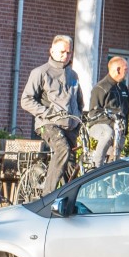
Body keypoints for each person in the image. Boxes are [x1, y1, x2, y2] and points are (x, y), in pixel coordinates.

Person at [19, 35, 82, 194]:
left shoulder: (73, 75)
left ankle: (68, 201)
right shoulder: (40, 72)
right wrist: (48, 113)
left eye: (68, 52)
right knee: (62, 149)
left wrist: (79, 119)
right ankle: (47, 197)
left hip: (71, 126)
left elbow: (79, 101)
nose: (65, 56)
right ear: (52, 51)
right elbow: (26, 100)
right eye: (62, 52)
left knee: (71, 166)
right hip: (48, 125)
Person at [86, 55, 129, 167]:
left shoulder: (123, 88)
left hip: (118, 129)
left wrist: (125, 130)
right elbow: (93, 113)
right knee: (108, 133)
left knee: (118, 145)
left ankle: (111, 174)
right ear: (118, 70)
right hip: (99, 127)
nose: (127, 72)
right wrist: (111, 123)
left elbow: (126, 111)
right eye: (125, 69)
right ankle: (97, 167)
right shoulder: (101, 88)